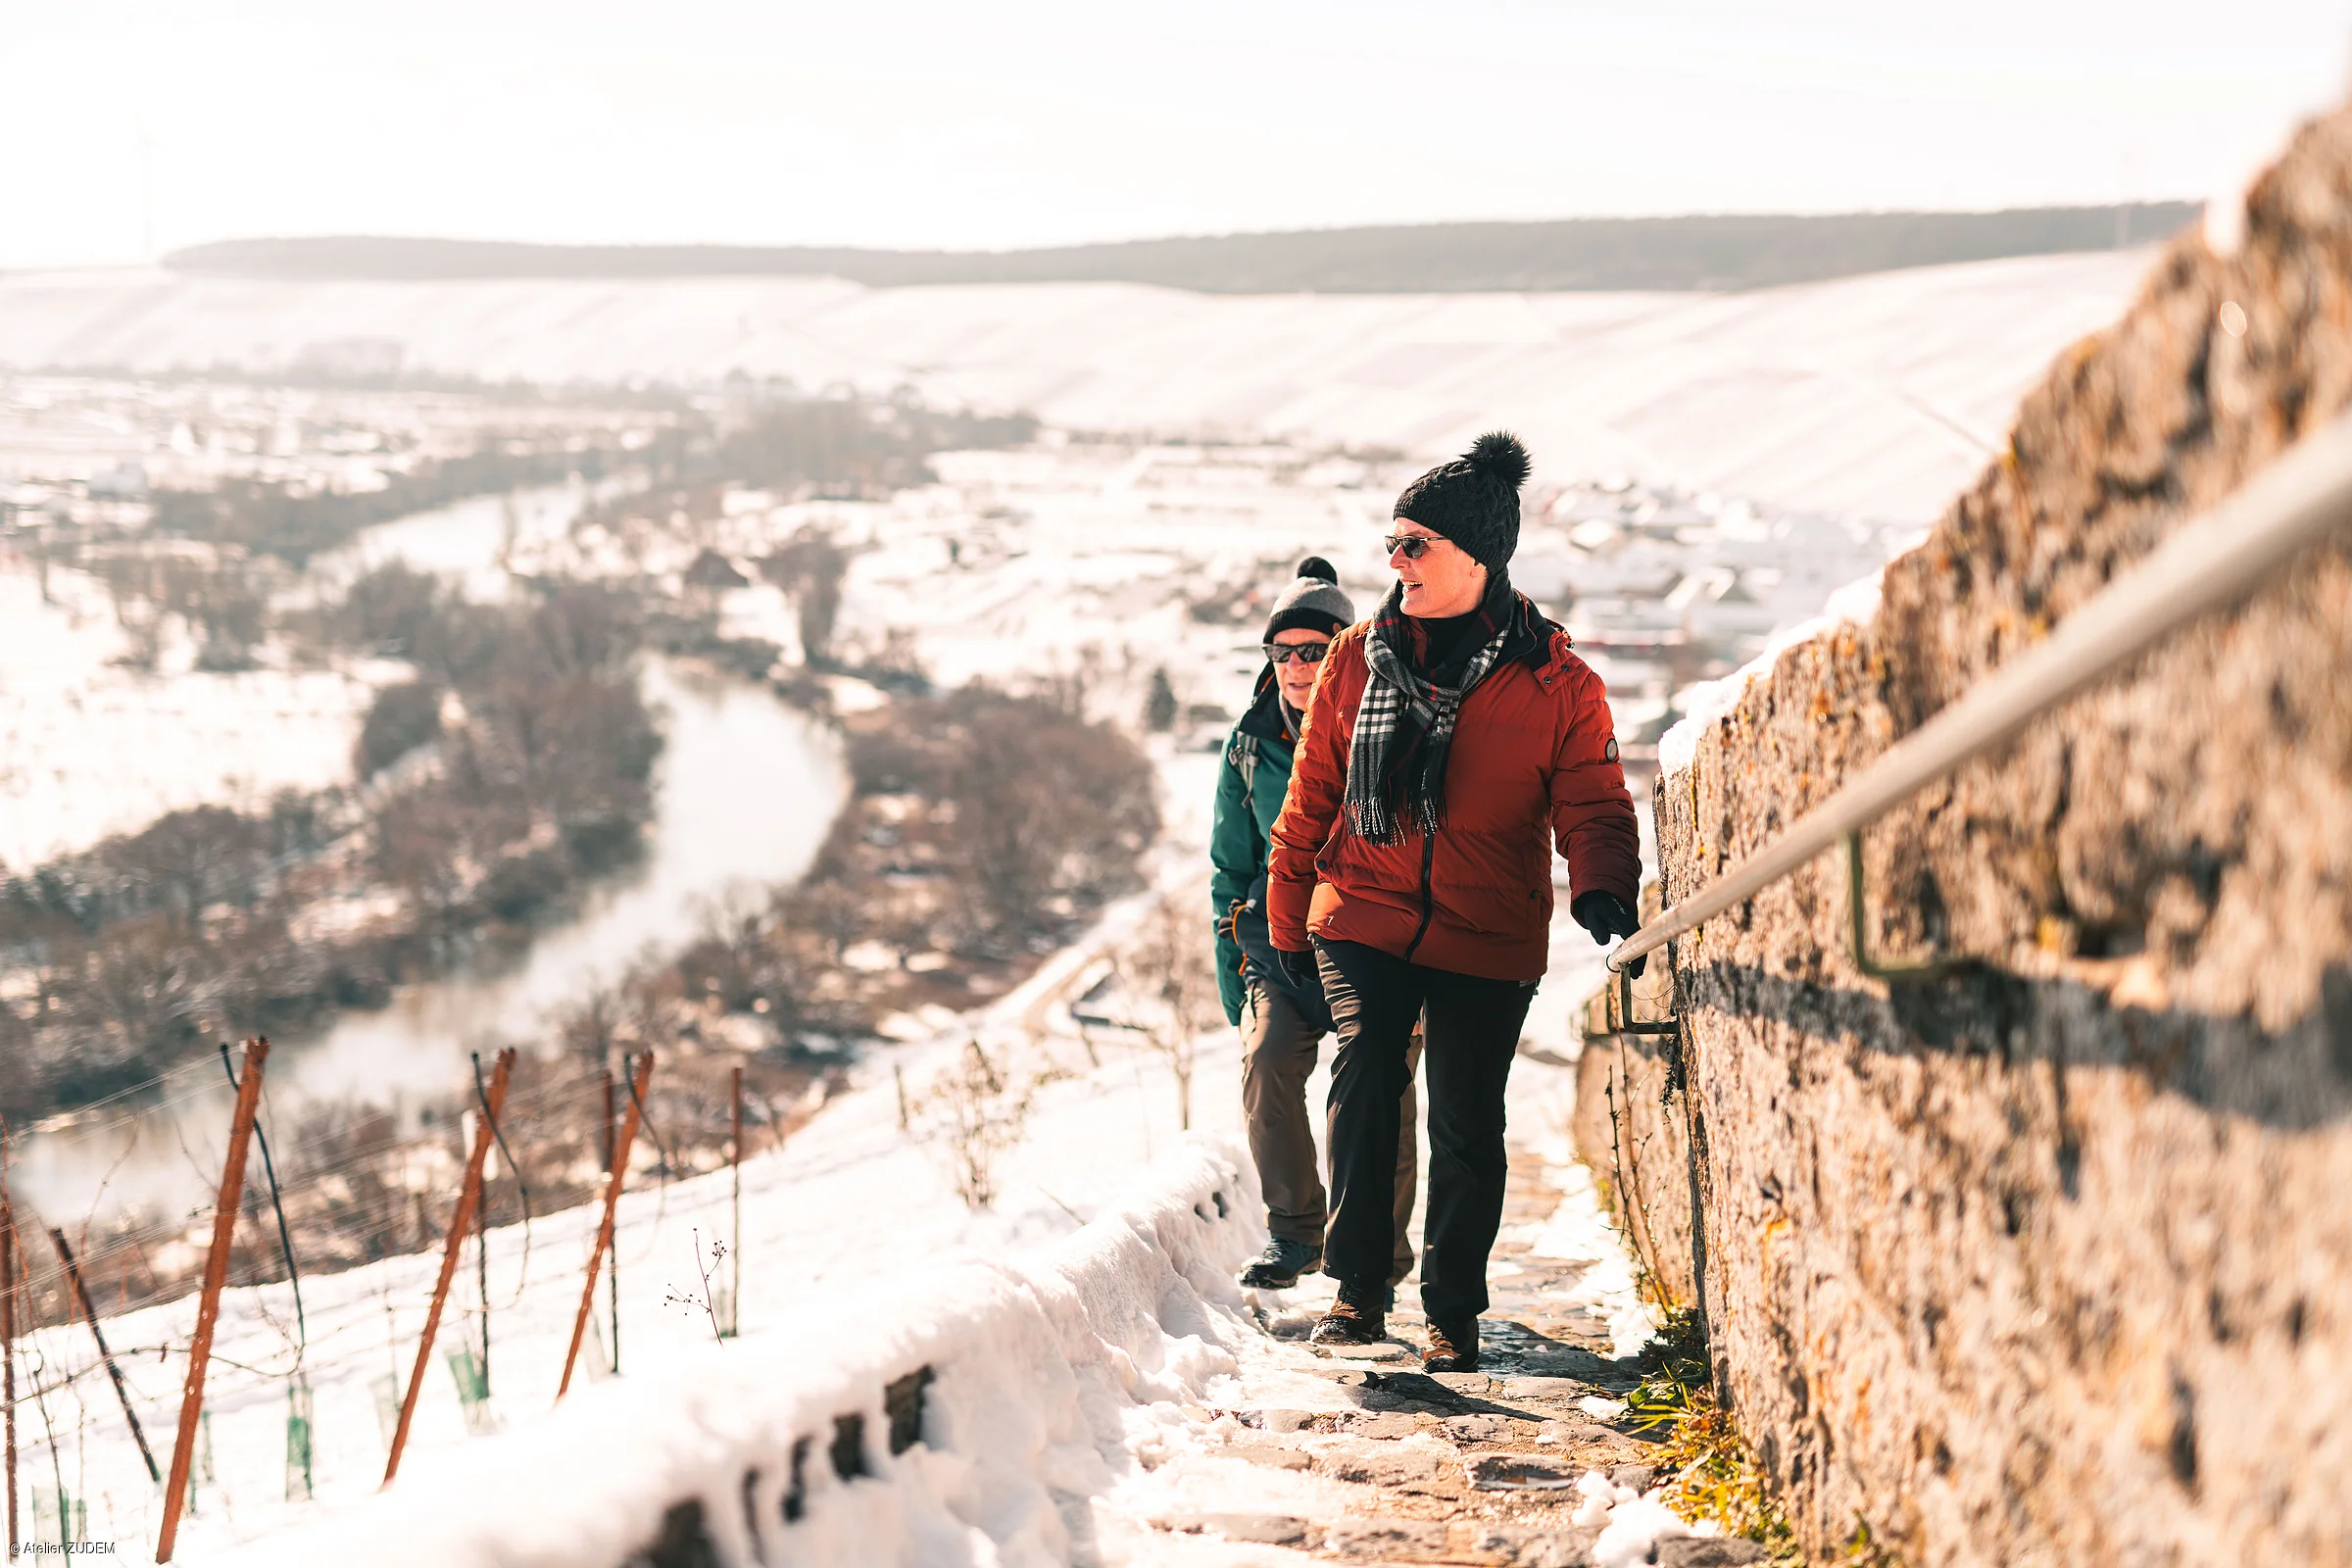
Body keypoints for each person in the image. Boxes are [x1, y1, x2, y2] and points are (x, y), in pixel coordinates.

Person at [1266, 432, 1642, 1372]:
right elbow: (1312, 795)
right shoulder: (1357, 659)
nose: (1394, 563)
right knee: (1365, 1075)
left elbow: (1592, 799)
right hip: (1366, 906)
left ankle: (1454, 1308)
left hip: (1489, 926)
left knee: (1466, 1117)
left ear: (1479, 556)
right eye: (1392, 543)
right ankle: (1357, 1292)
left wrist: (1601, 883)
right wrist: (1284, 919)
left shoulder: (1559, 683)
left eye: (1415, 544)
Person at [1211, 558, 1420, 1295]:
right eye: (1283, 651)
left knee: (1381, 1097)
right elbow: (1229, 866)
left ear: (1345, 649)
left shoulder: (1392, 720)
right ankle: (1293, 1232)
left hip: (1374, 940)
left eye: (1313, 649)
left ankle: (1377, 1261)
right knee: (1266, 1064)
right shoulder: (1249, 743)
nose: (1297, 666)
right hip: (1277, 947)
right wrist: (1232, 977)